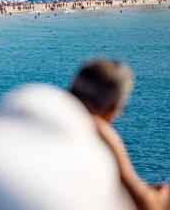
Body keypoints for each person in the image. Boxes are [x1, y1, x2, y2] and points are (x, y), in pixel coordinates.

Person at [70, 59, 170, 210]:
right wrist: (163, 196)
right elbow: (147, 205)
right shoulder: (92, 124)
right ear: (111, 110)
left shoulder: (33, 97)